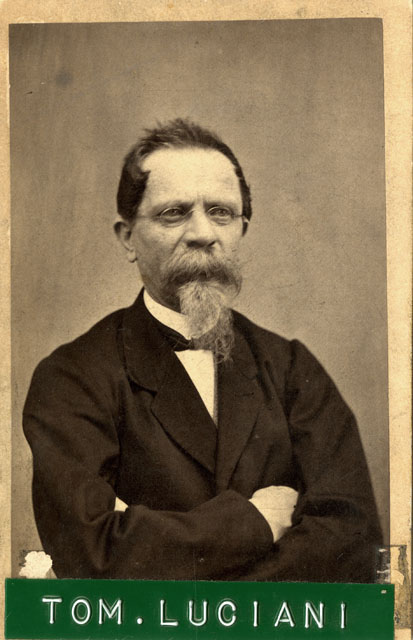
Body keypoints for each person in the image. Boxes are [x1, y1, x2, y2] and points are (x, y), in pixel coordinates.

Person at [23, 118, 382, 582]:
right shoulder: (73, 377)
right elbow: (90, 553)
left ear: (242, 229)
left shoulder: (292, 368)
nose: (202, 233)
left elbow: (352, 543)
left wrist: (182, 569)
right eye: (174, 213)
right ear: (127, 237)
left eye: (221, 212)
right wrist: (256, 523)